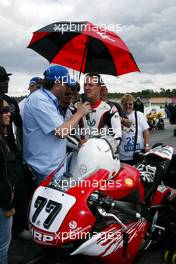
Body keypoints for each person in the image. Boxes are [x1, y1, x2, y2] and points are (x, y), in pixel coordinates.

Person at [23, 65, 91, 184]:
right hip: (45, 172)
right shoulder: (39, 100)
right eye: (66, 84)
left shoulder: (48, 99)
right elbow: (62, 132)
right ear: (57, 84)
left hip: (53, 169)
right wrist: (80, 113)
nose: (67, 88)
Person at [82, 73, 122, 151]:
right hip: (79, 158)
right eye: (85, 85)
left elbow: (117, 137)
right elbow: (66, 135)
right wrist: (78, 144)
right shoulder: (74, 107)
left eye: (90, 85)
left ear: (99, 88)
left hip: (102, 158)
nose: (86, 88)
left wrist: (98, 148)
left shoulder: (110, 109)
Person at [0, 96, 16, 264]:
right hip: (2, 204)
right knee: (3, 244)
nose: (9, 113)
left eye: (9, 110)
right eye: (4, 110)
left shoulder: (3, 137)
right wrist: (8, 205)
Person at [119, 94, 150, 165]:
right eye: (125, 104)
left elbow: (146, 131)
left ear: (133, 105)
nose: (128, 106)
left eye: (130, 104)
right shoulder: (117, 116)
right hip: (123, 156)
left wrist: (146, 145)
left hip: (139, 154)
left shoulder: (139, 115)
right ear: (121, 105)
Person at [0, 66, 22, 152]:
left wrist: (21, 149)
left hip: (11, 151)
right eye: (2, 80)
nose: (6, 82)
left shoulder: (12, 102)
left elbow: (19, 126)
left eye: (7, 79)